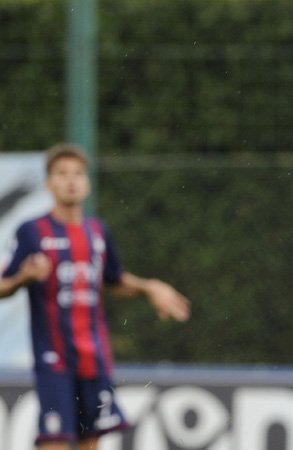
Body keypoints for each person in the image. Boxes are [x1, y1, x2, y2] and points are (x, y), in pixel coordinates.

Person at [0, 143, 191, 450]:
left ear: (87, 184)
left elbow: (115, 280)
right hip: (54, 361)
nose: (71, 180)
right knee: (55, 441)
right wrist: (24, 277)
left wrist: (149, 286)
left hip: (95, 358)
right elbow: (3, 286)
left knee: (93, 444)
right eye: (62, 174)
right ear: (49, 184)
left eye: (78, 173)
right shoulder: (31, 231)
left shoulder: (97, 231)